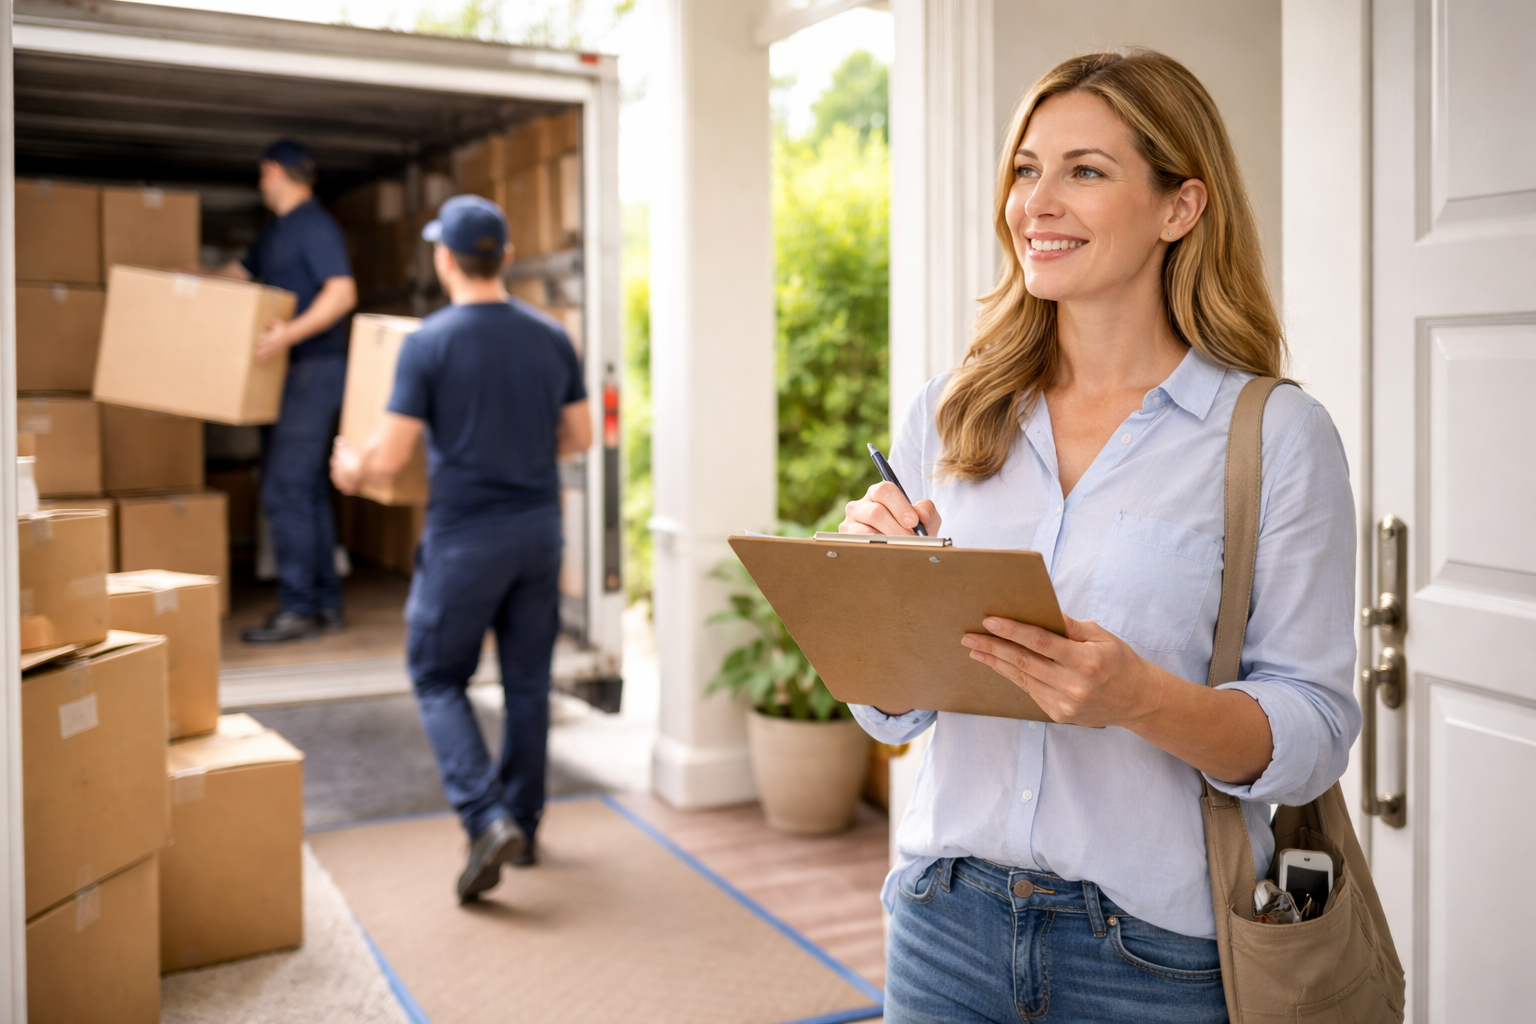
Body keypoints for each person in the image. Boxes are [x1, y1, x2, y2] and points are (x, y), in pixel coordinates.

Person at [842, 51, 1359, 1024]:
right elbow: (893, 718)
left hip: (1154, 957)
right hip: (944, 925)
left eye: (1084, 170)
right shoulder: (950, 413)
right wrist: (876, 595)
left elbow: (1315, 733)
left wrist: (1140, 700)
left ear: (1180, 206)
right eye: (1025, 169)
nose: (1035, 203)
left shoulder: (1276, 438)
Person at [330, 195, 592, 903]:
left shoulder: (429, 343)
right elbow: (579, 436)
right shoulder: (551, 337)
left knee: (437, 675)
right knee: (527, 683)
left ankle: (484, 818)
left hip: (465, 538)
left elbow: (390, 457)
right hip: (538, 532)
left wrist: (351, 468)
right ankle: (523, 827)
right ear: (505, 257)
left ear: (445, 258)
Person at [209, 138, 358, 643]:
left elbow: (342, 292)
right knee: (306, 489)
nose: (260, 183)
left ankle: (298, 608)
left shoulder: (314, 226)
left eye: (262, 174)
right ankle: (326, 604)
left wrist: (289, 334)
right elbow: (239, 274)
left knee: (285, 489)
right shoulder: (278, 231)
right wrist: (189, 279)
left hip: (312, 370)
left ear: (273, 171)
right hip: (291, 375)